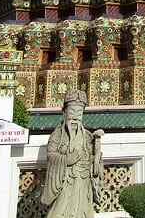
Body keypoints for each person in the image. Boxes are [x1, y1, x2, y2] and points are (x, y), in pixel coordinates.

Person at [40, 89, 104, 218]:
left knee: (83, 209)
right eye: (72, 112)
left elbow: (94, 161)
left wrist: (96, 161)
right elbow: (51, 155)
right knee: (60, 210)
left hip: (83, 181)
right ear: (64, 112)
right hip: (65, 181)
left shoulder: (87, 136)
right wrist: (66, 160)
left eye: (79, 113)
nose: (75, 117)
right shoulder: (57, 135)